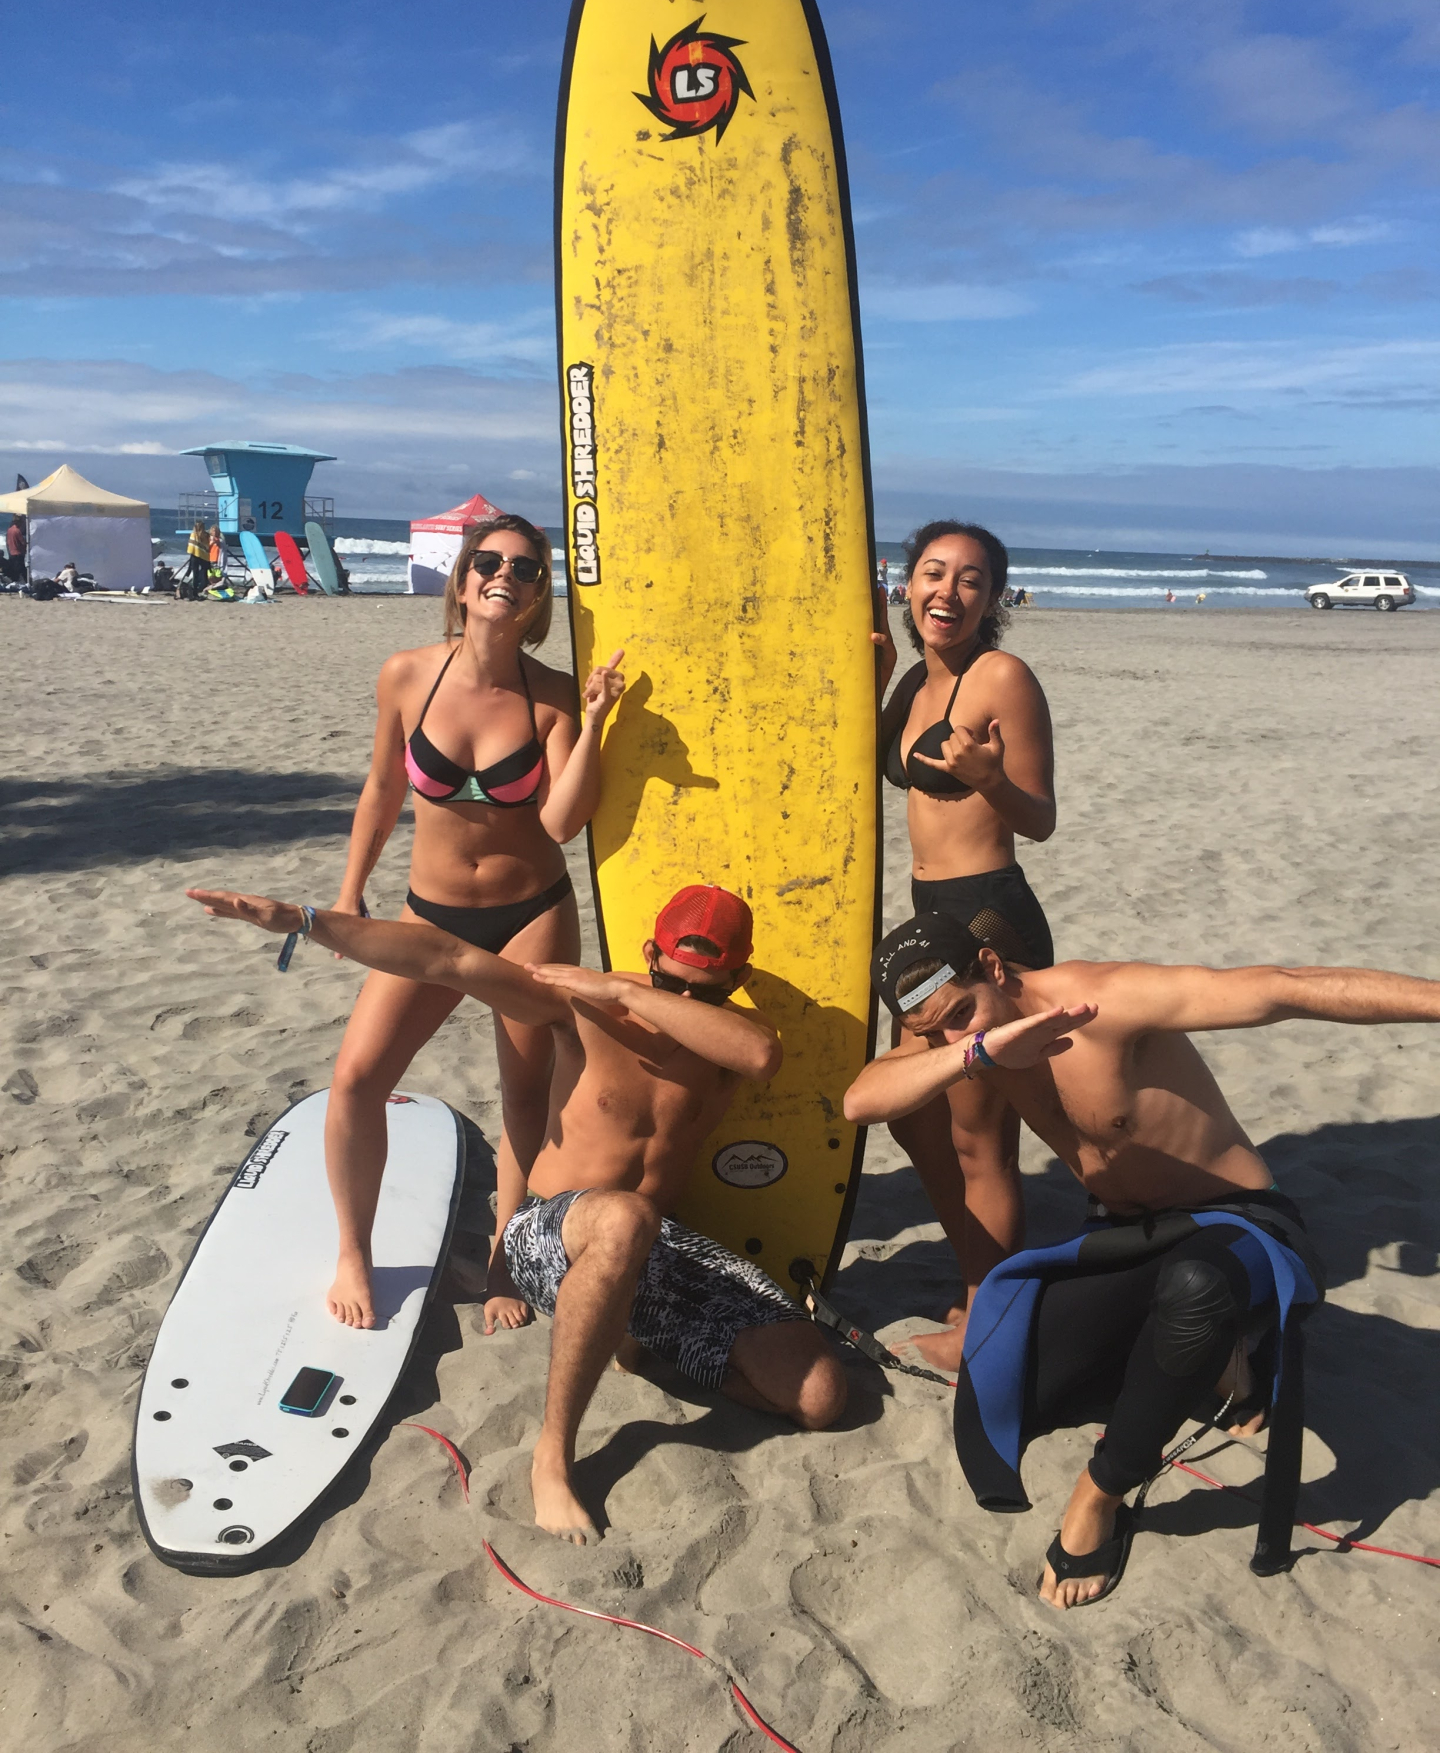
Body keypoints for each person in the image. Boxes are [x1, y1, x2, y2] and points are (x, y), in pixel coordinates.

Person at [185, 880, 846, 1542]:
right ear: (648, 952)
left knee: (821, 1399)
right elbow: (447, 957)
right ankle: (553, 1456)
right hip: (550, 1233)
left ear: (741, 978)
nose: (680, 1000)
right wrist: (304, 920)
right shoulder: (581, 1005)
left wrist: (632, 991)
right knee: (623, 1219)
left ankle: (634, 1339)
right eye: (666, 980)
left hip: (648, 1245)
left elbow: (762, 1056)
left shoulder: (732, 1034)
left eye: (704, 991)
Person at [846, 912, 1440, 1609]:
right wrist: (979, 1050)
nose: (954, 1036)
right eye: (933, 1031)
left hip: (1243, 1223)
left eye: (961, 1014)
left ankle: (1103, 1491)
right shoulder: (974, 1048)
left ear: (995, 966)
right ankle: (1233, 1374)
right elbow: (862, 1099)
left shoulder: (1106, 1002)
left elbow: (1285, 988)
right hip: (1126, 1235)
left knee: (1195, 1288)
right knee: (1018, 1362)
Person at [322, 515, 625, 1333]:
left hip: (531, 913)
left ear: (537, 599)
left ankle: (502, 1255)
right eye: (488, 563)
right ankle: (354, 1249)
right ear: (461, 581)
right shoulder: (406, 675)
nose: (505, 576)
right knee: (357, 1080)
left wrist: (594, 722)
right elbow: (383, 791)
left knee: (525, 1100)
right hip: (429, 913)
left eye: (525, 570)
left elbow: (562, 822)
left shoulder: (554, 693)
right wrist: (352, 891)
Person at [871, 520, 1057, 1371]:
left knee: (980, 1136)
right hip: (926, 914)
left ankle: (990, 1317)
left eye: (971, 581)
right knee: (913, 1114)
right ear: (908, 585)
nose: (948, 593)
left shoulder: (1002, 677)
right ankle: (985, 1281)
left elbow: (1040, 818)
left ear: (994, 599)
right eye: (934, 574)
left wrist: (992, 781)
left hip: (986, 919)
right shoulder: (916, 678)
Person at [184, 518, 210, 596]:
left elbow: (191, 547)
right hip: (204, 557)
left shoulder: (193, 534)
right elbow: (208, 547)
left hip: (194, 556)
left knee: (195, 573)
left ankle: (195, 590)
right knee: (204, 573)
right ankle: (202, 588)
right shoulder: (206, 535)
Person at [5, 515, 25, 584]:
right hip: (18, 553)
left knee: (14, 569)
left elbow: (8, 541)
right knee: (21, 569)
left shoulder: (9, 530)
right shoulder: (17, 531)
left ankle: (13, 581)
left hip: (11, 552)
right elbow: (22, 542)